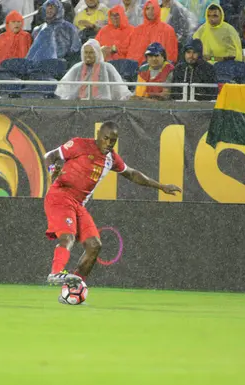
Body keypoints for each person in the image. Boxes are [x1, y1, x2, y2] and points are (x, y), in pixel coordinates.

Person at [42, 121, 182, 300]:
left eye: (113, 140)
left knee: (94, 246)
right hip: (60, 196)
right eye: (106, 138)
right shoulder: (79, 144)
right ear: (98, 135)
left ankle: (73, 289)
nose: (108, 143)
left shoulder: (111, 158)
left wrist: (161, 186)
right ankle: (55, 272)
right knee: (67, 236)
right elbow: (49, 155)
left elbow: (131, 173)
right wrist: (52, 170)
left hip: (78, 204)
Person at [55, 38, 131, 100]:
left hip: (104, 106)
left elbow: (119, 89)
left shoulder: (107, 68)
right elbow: (64, 87)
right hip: (79, 105)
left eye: (91, 52)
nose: (88, 55)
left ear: (97, 53)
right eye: (86, 52)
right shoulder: (77, 68)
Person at [126, 0, 178, 65]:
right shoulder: (137, 30)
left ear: (158, 9)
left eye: (153, 8)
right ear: (144, 10)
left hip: (160, 70)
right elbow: (131, 54)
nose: (150, 11)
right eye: (148, 8)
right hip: (139, 71)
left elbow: (171, 55)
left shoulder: (168, 30)